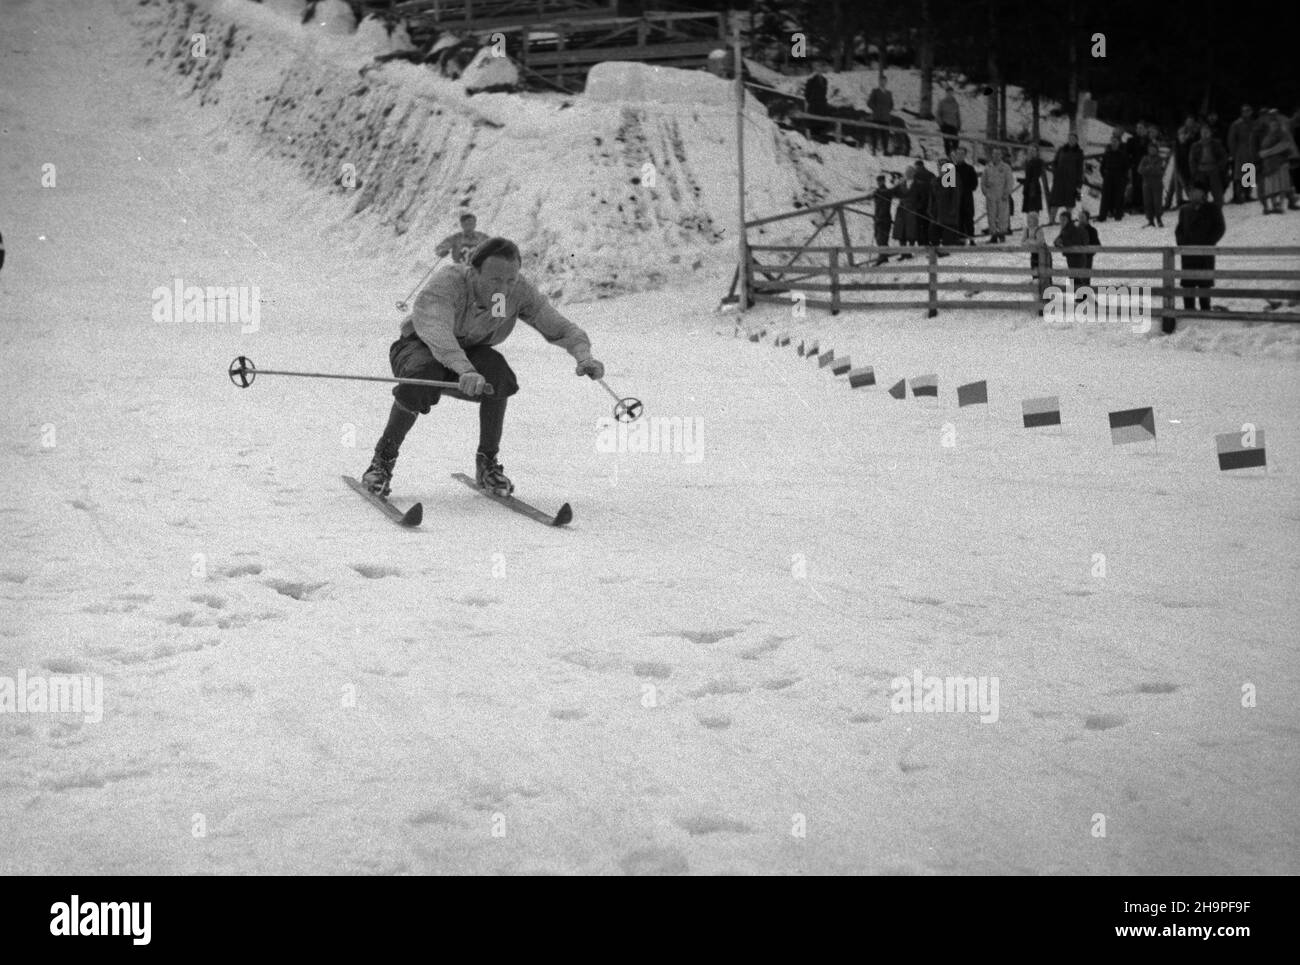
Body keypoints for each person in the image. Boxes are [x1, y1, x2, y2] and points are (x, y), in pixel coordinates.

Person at [361, 238, 606, 498]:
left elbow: (558, 326)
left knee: (499, 375)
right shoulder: (448, 284)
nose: (504, 287)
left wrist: (583, 356)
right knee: (423, 375)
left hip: (470, 352)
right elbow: (438, 332)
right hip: (421, 345)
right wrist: (465, 369)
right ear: (473, 271)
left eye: (510, 280)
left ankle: (487, 463)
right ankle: (382, 461)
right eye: (495, 279)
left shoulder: (507, 294)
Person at [1172, 180, 1226, 331]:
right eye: (1190, 191)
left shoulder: (1212, 208)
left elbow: (1220, 228)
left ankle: (1205, 312)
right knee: (1188, 282)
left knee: (1204, 282)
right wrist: (1181, 243)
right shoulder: (1185, 210)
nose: (1192, 193)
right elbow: (1179, 229)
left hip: (1205, 252)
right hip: (1188, 252)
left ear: (1203, 193)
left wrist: (1208, 243)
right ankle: (1188, 311)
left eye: (1195, 190)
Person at [1257, 110, 1300, 213]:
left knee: (1283, 183)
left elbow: (1286, 144)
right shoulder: (1257, 130)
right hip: (1257, 161)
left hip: (1277, 161)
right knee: (1257, 183)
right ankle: (1265, 205)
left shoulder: (1281, 128)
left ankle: (1288, 201)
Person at [1048, 133, 1084, 222]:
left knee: (1069, 202)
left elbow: (1080, 169)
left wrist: (1079, 184)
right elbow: (1054, 162)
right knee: (1055, 201)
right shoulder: (1061, 149)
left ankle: (1067, 220)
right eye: (1070, 138)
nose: (1071, 140)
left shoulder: (1079, 152)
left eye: (1073, 139)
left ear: (1076, 140)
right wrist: (1056, 172)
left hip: (1071, 181)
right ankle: (1051, 220)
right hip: (1059, 180)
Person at [1188, 125, 1228, 207]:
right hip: (1200, 171)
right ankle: (1203, 210)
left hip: (1214, 169)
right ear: (1200, 133)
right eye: (1203, 132)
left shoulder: (1216, 144)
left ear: (1210, 133)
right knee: (1201, 193)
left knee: (1217, 192)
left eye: (1207, 132)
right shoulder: (1196, 145)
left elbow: (1223, 156)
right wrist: (1195, 172)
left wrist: (1220, 167)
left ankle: (1217, 210)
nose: (1205, 134)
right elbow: (1192, 160)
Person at [1053, 209, 1090, 294]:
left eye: (1064, 219)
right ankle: (1081, 298)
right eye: (1060, 219)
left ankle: (1087, 298)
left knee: (1076, 278)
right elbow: (1057, 240)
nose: (1061, 221)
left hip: (1078, 257)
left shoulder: (1073, 229)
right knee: (1073, 278)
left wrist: (1062, 243)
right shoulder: (1064, 229)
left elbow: (1074, 242)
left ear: (1068, 220)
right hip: (1071, 257)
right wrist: (1058, 242)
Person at [930, 157, 963, 248]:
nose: (941, 168)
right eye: (939, 166)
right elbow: (932, 197)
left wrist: (953, 209)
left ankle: (945, 251)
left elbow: (955, 196)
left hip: (948, 212)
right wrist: (930, 209)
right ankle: (935, 251)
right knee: (934, 233)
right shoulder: (936, 180)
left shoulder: (952, 178)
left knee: (947, 233)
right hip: (937, 212)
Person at [981, 149, 1014, 242]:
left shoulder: (1006, 167)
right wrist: (985, 192)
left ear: (1001, 156)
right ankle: (993, 235)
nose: (996, 156)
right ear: (992, 155)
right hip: (991, 195)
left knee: (1002, 216)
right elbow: (983, 181)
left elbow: (1010, 181)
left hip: (1002, 195)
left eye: (998, 154)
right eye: (994, 154)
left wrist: (1006, 193)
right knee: (991, 216)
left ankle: (1002, 234)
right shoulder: (988, 167)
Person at [1226, 104, 1257, 203]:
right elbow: (1231, 139)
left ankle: (1248, 194)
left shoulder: (1253, 123)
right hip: (1240, 150)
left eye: (1248, 111)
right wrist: (1233, 153)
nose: (1247, 113)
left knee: (1250, 172)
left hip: (1250, 150)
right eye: (1245, 111)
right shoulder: (1237, 124)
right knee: (1239, 175)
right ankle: (1238, 195)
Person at [1164, 117, 1196, 210]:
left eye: (1184, 134)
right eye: (1180, 134)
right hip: (1179, 167)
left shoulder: (1191, 142)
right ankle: (1170, 202)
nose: (1182, 136)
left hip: (1187, 167)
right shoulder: (1177, 143)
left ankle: (1175, 202)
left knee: (1182, 184)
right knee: (1176, 184)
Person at [1020, 148, 1051, 235]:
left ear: (1037, 152)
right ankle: (1030, 226)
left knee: (1034, 207)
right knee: (1029, 208)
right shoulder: (1027, 161)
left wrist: (1031, 185)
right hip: (1028, 185)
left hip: (1034, 186)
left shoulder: (1038, 161)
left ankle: (1034, 226)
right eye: (1030, 151)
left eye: (1033, 151)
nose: (1031, 152)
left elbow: (1035, 174)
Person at [1099, 133, 1128, 221]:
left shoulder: (1123, 154)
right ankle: (1102, 216)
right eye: (1112, 142)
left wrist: (1123, 178)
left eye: (1115, 142)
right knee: (1105, 197)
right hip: (1108, 177)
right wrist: (1105, 176)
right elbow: (1102, 167)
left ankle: (1118, 215)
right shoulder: (1107, 154)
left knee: (1118, 197)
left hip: (1119, 177)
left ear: (1119, 143)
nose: (1114, 143)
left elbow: (1126, 167)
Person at [952, 146, 979, 242]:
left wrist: (965, 188)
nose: (960, 156)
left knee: (968, 219)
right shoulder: (951, 169)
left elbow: (974, 184)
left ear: (965, 155)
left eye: (962, 154)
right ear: (955, 155)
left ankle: (971, 239)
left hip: (967, 198)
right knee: (958, 219)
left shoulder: (970, 169)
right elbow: (946, 186)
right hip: (955, 198)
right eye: (958, 154)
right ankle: (960, 239)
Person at [1138, 141, 1167, 227]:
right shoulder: (1145, 159)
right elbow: (1140, 170)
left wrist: (1148, 169)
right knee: (1147, 202)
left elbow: (1160, 171)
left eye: (1153, 149)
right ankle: (1150, 220)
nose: (1152, 151)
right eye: (1150, 149)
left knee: (1157, 202)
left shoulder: (1161, 159)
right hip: (1146, 184)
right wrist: (1149, 169)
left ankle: (1159, 219)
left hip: (1157, 183)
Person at [1125, 121, 1150, 213]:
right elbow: (1127, 154)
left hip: (1146, 167)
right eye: (1137, 128)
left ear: (1145, 129)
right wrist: (1131, 165)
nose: (1138, 130)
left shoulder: (1148, 141)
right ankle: (1136, 206)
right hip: (1135, 167)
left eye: (1141, 128)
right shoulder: (1131, 140)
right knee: (1136, 186)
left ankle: (1144, 205)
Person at [866, 76, 894, 156]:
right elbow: (869, 103)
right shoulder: (875, 91)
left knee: (885, 135)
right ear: (879, 82)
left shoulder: (889, 93)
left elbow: (891, 104)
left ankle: (885, 150)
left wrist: (887, 111)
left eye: (884, 81)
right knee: (874, 134)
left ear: (886, 82)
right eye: (881, 81)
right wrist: (876, 109)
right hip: (876, 117)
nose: (882, 83)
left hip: (886, 118)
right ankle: (873, 150)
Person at [872, 174, 895, 263]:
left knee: (882, 238)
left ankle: (883, 257)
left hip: (883, 219)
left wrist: (879, 218)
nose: (878, 183)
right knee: (878, 237)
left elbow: (885, 207)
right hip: (878, 218)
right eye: (878, 181)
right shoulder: (878, 191)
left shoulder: (885, 192)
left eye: (880, 181)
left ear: (883, 181)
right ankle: (883, 256)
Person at [936, 85, 961, 155]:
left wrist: (959, 125)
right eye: (948, 93)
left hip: (954, 126)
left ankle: (954, 155)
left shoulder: (955, 103)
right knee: (947, 141)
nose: (950, 94)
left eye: (951, 93)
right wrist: (941, 124)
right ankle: (948, 155)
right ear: (946, 93)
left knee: (955, 141)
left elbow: (958, 115)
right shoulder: (942, 103)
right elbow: (938, 114)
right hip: (945, 125)